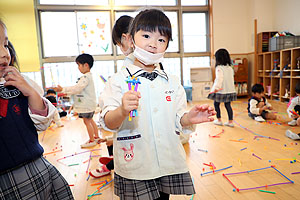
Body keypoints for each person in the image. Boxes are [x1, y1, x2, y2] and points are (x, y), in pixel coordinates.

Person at [99, 9, 216, 200]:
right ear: (131, 39)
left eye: (161, 40)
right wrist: (121, 110)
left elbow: (178, 119)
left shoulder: (172, 81)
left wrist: (189, 118)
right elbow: (108, 122)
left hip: (166, 163)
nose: (153, 44)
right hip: (136, 165)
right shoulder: (117, 81)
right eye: (146, 36)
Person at [0, 19, 73, 199]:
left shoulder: (19, 82)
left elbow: (42, 123)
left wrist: (31, 93)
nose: (4, 53)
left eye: (5, 44)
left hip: (39, 166)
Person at [54, 53, 99, 148]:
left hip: (87, 105)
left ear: (86, 65)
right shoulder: (88, 77)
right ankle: (96, 137)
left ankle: (92, 140)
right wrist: (65, 92)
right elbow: (77, 90)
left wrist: (63, 89)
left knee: (87, 122)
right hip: (90, 104)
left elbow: (77, 88)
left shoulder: (85, 77)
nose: (78, 67)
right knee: (90, 121)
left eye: (79, 65)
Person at [208, 48, 237, 127]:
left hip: (221, 90)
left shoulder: (219, 68)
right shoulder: (230, 68)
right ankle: (230, 121)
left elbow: (219, 79)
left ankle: (219, 120)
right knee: (228, 105)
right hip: (230, 90)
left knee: (216, 104)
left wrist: (216, 88)